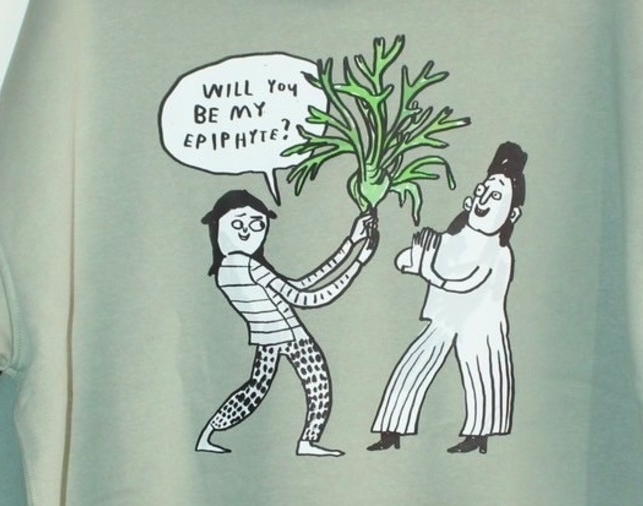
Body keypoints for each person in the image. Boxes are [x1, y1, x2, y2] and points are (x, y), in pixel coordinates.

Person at [368, 142, 525, 454]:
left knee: (484, 374)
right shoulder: (456, 238)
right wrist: (416, 258)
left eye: (496, 196)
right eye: (482, 191)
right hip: (445, 318)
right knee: (414, 366)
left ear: (513, 213)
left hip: (481, 323)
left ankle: (479, 435)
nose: (483, 199)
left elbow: (464, 282)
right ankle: (391, 429)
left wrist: (425, 267)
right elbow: (411, 258)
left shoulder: (498, 252)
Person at [198, 190, 378, 456]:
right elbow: (308, 297)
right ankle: (307, 441)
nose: (247, 232)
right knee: (317, 387)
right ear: (217, 225)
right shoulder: (246, 264)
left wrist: (352, 242)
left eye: (257, 225)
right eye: (237, 224)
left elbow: (301, 284)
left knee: (255, 390)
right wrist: (358, 261)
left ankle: (207, 434)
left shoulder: (225, 269)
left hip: (267, 337)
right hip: (291, 335)